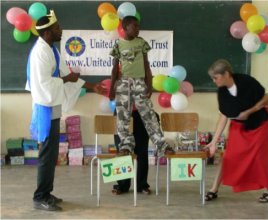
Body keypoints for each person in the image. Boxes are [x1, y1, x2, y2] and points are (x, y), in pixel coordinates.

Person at [26, 10, 105, 211]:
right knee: (46, 154)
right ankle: (40, 197)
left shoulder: (52, 49)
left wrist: (92, 86)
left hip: (53, 107)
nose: (60, 31)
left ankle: (47, 192)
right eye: (57, 28)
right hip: (45, 109)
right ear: (47, 33)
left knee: (51, 154)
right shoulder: (40, 53)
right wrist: (66, 80)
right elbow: (42, 84)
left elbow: (65, 75)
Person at [204, 59, 268, 203]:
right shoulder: (221, 92)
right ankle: (213, 189)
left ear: (226, 74)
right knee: (228, 157)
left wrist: (251, 111)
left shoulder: (247, 81)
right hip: (238, 128)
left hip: (259, 124)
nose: (214, 81)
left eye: (216, 77)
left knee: (261, 158)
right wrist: (214, 142)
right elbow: (224, 116)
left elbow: (266, 97)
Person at [109, 15, 174, 157]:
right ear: (125, 28)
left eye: (138, 26)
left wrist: (149, 84)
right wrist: (111, 89)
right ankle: (125, 145)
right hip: (123, 84)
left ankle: (162, 145)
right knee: (122, 117)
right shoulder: (118, 45)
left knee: (149, 115)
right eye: (135, 26)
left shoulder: (141, 43)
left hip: (139, 83)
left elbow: (146, 64)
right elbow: (114, 68)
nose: (138, 29)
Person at [112, 109, 159, 195]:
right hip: (122, 111)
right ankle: (122, 186)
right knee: (122, 153)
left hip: (140, 113)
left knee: (142, 152)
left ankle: (142, 186)